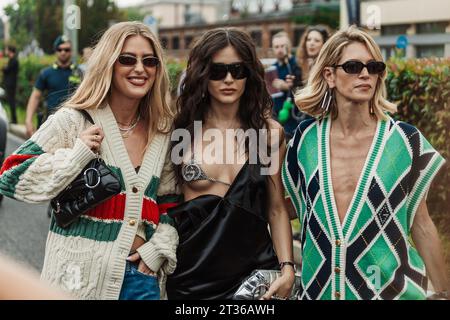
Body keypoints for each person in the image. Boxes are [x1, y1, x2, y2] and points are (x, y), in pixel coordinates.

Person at [0, 21, 179, 300]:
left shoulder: (162, 133)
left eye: (150, 61)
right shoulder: (74, 119)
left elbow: (171, 202)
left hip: (142, 280)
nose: (140, 69)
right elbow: (11, 175)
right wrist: (76, 155)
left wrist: (158, 250)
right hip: (77, 277)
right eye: (127, 59)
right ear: (109, 63)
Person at [282, 26, 449, 300]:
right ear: (329, 75)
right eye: (353, 66)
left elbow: (421, 224)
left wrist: (444, 292)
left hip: (394, 293)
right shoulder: (304, 141)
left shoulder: (405, 141)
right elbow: (290, 207)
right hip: (320, 292)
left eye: (374, 67)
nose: (365, 74)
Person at [166, 28, 295, 300]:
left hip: (255, 280)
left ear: (249, 74)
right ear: (202, 74)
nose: (228, 79)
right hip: (192, 279)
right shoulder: (180, 132)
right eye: (217, 71)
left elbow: (276, 208)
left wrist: (287, 269)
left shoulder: (268, 134)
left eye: (238, 70)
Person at [25, 35, 82, 137]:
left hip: (74, 125)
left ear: (71, 51)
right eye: (59, 49)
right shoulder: (46, 73)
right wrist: (28, 120)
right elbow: (35, 96)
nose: (63, 52)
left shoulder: (79, 73)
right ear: (55, 51)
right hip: (51, 125)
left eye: (66, 49)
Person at [271, 31, 304, 140]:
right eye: (276, 47)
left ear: (288, 47)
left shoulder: (296, 64)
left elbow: (302, 86)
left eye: (282, 46)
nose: (280, 49)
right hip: (278, 116)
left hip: (295, 116)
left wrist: (287, 86)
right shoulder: (273, 68)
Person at [2, 45, 19, 124]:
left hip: (11, 84)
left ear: (10, 51)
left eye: (8, 50)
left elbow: (7, 69)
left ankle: (14, 119)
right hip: (10, 84)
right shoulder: (12, 60)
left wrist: (5, 68)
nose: (7, 52)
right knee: (10, 101)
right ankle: (13, 119)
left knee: (11, 101)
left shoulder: (13, 61)